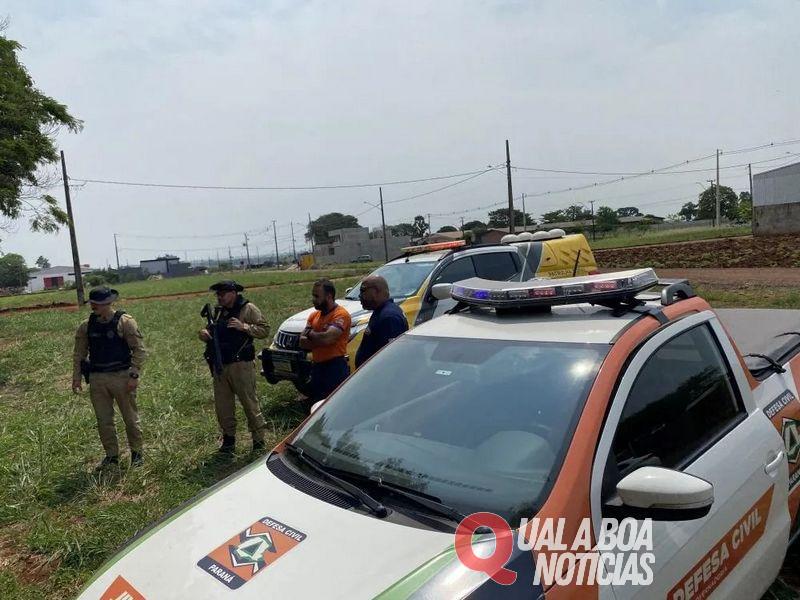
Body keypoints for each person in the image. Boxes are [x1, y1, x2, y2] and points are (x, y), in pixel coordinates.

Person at [72, 286, 147, 469]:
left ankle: (137, 454)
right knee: (104, 421)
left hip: (122, 377)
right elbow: (79, 354)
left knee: (130, 418)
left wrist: (134, 375)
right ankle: (111, 456)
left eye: (97, 303)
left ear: (108, 303)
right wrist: (76, 377)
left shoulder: (125, 322)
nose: (93, 306)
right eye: (92, 303)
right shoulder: (86, 326)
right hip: (97, 379)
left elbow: (139, 350)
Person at [198, 280, 270, 454]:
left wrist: (244, 327)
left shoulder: (248, 308)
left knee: (249, 403)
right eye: (218, 294)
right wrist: (204, 334)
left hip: (241, 365)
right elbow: (210, 331)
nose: (219, 297)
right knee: (223, 406)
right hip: (220, 365)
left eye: (222, 293)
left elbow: (265, 330)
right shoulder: (218, 312)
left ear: (233, 293)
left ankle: (258, 440)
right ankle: (229, 440)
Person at [300, 278, 351, 406]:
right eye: (313, 295)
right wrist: (320, 339)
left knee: (336, 405)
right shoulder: (313, 316)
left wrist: (311, 334)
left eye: (317, 296)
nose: (313, 299)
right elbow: (302, 342)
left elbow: (327, 338)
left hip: (335, 368)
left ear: (328, 296)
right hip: (317, 368)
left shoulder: (341, 315)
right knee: (318, 404)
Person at [355, 275, 409, 368]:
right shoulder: (380, 311)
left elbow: (391, 358)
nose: (360, 295)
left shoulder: (389, 317)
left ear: (376, 291)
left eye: (363, 290)